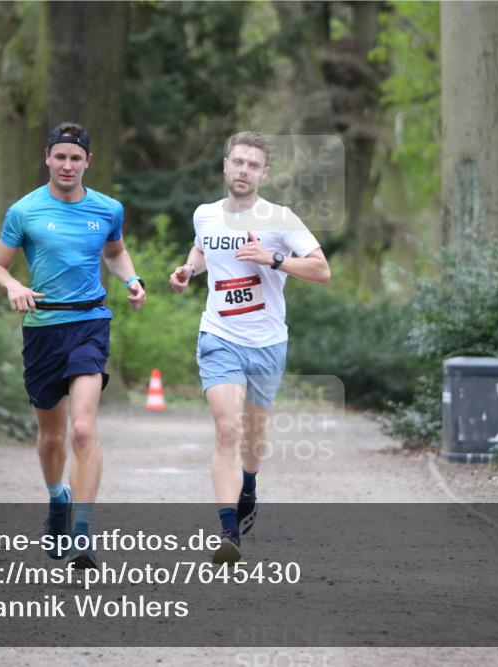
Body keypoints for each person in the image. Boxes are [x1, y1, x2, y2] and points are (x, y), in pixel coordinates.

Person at [0, 122, 146, 569]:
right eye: (60, 156)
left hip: (90, 324)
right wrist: (13, 285)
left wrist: (131, 280)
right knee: (52, 436)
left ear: (88, 163)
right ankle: (58, 497)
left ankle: (81, 532)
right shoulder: (25, 211)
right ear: (47, 158)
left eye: (76, 158)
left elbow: (114, 252)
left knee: (81, 430)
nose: (67, 165)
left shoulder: (108, 208)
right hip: (42, 328)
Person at [170, 131, 331, 564]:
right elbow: (202, 249)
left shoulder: (280, 218)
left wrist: (274, 259)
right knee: (228, 429)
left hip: (267, 342)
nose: (243, 170)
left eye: (252, 164)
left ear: (264, 173)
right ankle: (227, 532)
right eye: (237, 162)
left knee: (253, 434)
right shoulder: (205, 214)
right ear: (225, 165)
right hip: (219, 336)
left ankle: (251, 484)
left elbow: (321, 270)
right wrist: (188, 269)